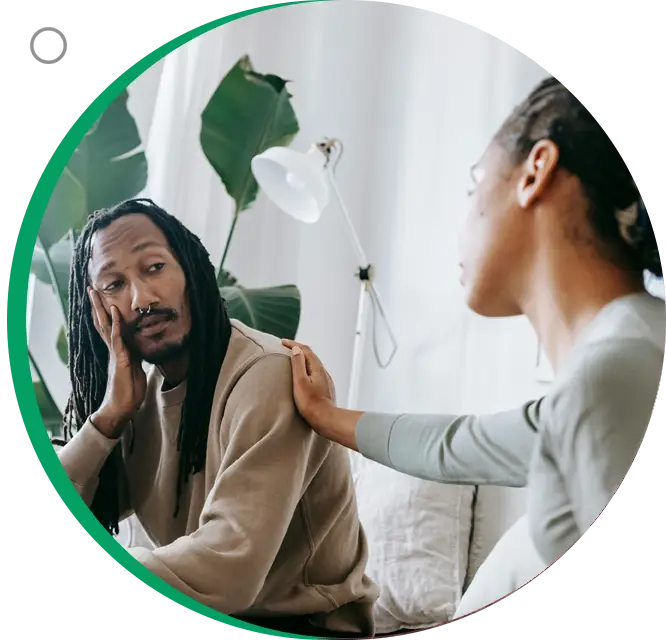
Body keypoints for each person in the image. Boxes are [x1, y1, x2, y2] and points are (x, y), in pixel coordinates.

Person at [280, 77, 665, 570]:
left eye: (473, 184)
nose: (462, 223)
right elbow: (454, 446)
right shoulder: (616, 361)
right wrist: (324, 414)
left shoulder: (617, 368)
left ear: (535, 172)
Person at [51, 198, 378, 638]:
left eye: (154, 268)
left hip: (303, 626)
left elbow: (230, 567)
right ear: (95, 309)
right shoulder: (136, 396)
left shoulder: (267, 373)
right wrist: (109, 417)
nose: (142, 298)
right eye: (113, 284)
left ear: (188, 267)